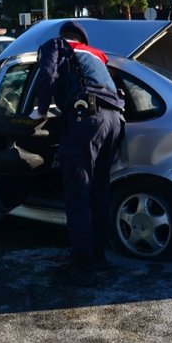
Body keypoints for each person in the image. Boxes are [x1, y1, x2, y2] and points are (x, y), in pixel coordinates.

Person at [30, 21, 124, 287]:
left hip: (86, 120)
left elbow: (46, 75)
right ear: (82, 39)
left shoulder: (56, 45)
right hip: (114, 120)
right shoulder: (96, 54)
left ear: (64, 37)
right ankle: (99, 259)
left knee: (77, 192)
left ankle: (82, 266)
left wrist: (40, 110)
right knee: (98, 192)